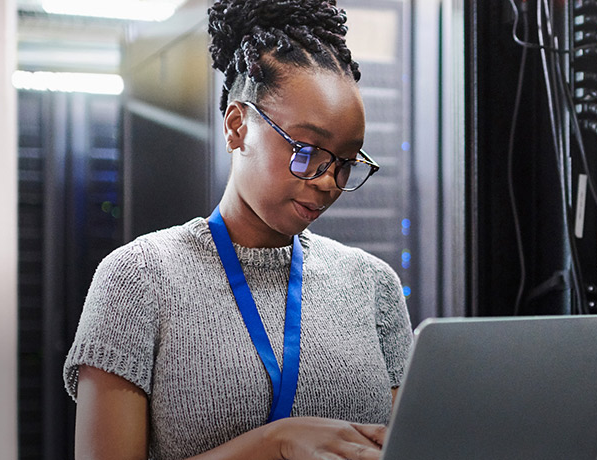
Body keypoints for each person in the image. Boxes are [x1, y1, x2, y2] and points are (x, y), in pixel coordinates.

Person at [62, 1, 414, 458]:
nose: (328, 181)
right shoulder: (139, 279)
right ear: (237, 126)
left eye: (345, 163)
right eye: (307, 152)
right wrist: (275, 443)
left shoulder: (373, 286)